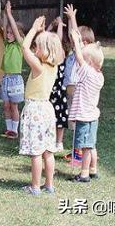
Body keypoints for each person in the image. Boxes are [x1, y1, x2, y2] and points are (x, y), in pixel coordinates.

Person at [19, 16, 65, 195]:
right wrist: (41, 32)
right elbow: (45, 46)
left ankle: (35, 186)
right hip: (47, 110)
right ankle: (49, 185)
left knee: (36, 153)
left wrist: (32, 29)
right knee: (48, 151)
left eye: (37, 46)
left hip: (35, 110)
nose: (34, 48)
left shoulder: (38, 67)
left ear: (44, 51)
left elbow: (24, 47)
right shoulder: (53, 66)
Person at [68, 29, 105, 183]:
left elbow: (78, 57)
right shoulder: (99, 76)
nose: (80, 59)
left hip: (84, 117)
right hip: (93, 116)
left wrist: (76, 41)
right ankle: (93, 170)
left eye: (84, 58)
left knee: (85, 147)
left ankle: (84, 174)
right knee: (91, 145)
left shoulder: (87, 73)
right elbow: (81, 58)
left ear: (89, 63)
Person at [0, 1, 25, 139]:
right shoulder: (7, 44)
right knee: (6, 106)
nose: (8, 34)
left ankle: (15, 130)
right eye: (8, 32)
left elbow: (14, 29)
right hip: (6, 79)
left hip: (15, 80)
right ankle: (9, 129)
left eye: (11, 33)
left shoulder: (20, 45)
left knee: (14, 106)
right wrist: (4, 14)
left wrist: (10, 14)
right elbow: (4, 28)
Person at [47, 17, 69, 152]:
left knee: (60, 118)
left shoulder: (60, 56)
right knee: (50, 118)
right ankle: (50, 140)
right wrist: (50, 26)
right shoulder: (48, 57)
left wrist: (59, 25)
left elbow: (58, 42)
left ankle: (59, 142)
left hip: (60, 92)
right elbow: (44, 38)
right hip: (49, 93)